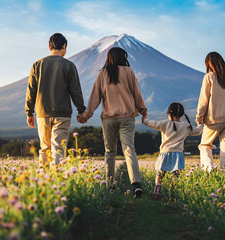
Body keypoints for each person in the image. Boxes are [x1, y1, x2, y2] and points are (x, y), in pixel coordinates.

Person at [78, 47, 147, 198]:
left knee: (110, 152)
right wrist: (142, 110)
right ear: (123, 57)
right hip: (127, 117)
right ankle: (136, 184)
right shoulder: (128, 72)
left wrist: (86, 116)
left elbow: (95, 97)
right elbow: (137, 93)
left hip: (108, 118)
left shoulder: (102, 74)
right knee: (129, 150)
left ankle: (110, 185)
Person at [25, 33, 86, 168]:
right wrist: (81, 110)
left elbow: (31, 91)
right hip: (62, 114)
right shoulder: (69, 65)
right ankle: (57, 180)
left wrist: (29, 112)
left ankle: (43, 181)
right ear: (64, 46)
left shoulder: (37, 65)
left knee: (44, 148)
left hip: (42, 114)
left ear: (49, 46)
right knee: (58, 148)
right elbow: (75, 90)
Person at [142, 102, 203, 199]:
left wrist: (144, 119)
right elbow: (197, 131)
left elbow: (151, 123)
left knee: (160, 174)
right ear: (182, 114)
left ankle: (158, 186)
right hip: (178, 154)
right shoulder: (186, 125)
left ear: (169, 113)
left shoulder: (164, 123)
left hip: (165, 153)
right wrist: (200, 124)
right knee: (175, 175)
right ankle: (174, 192)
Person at [196, 52, 225, 171]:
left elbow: (204, 100)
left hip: (214, 119)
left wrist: (199, 117)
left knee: (205, 145)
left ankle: (209, 169)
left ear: (209, 64)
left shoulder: (209, 77)